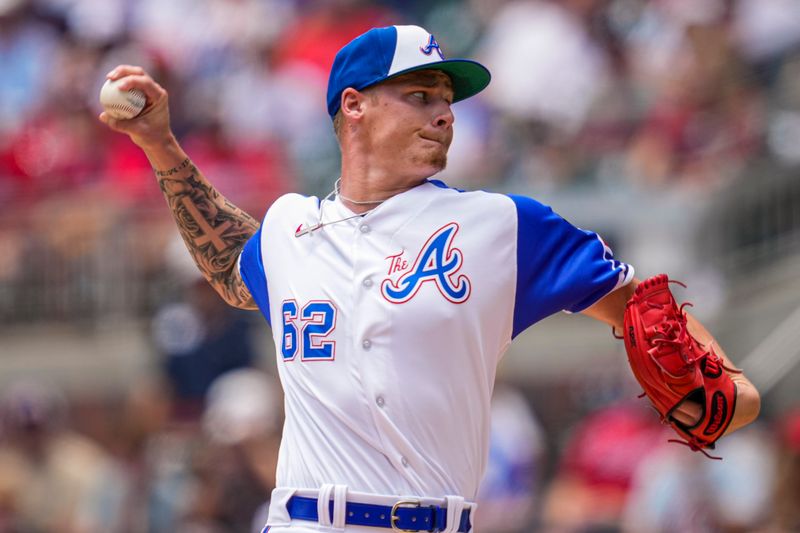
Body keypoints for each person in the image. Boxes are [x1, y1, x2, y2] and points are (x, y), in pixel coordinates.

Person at [99, 24, 760, 533]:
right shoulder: (290, 228)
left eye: (446, 99)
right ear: (353, 106)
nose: (443, 113)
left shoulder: (500, 226)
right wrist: (161, 143)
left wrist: (724, 380)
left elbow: (637, 304)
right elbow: (230, 263)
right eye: (419, 95)